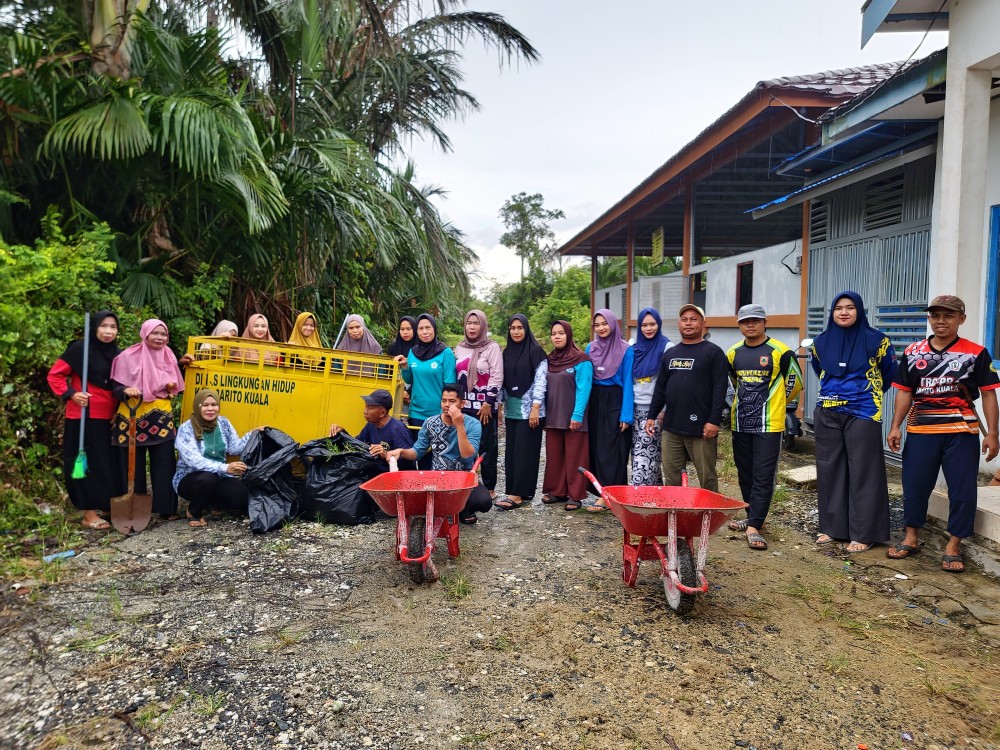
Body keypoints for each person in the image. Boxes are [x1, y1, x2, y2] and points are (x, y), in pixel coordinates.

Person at [887, 295, 1000, 572]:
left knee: (962, 490)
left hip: (961, 432)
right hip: (921, 430)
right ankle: (911, 537)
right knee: (915, 485)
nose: (940, 321)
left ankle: (953, 546)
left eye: (948, 315)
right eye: (935, 315)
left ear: (961, 319)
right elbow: (905, 392)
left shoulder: (976, 353)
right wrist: (895, 426)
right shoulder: (913, 352)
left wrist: (992, 434)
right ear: (929, 318)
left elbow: (988, 394)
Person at [809, 292, 896, 552]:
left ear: (859, 310)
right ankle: (833, 528)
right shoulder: (820, 342)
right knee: (830, 469)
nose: (844, 312)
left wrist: (865, 394)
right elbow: (819, 369)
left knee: (864, 471)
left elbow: (889, 373)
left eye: (850, 307)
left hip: (864, 411)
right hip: (827, 410)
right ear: (832, 313)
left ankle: (864, 533)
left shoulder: (878, 341)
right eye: (838, 308)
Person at [724, 305, 803, 551]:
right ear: (739, 325)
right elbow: (735, 382)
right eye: (745, 321)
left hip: (769, 424)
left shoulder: (781, 351)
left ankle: (754, 526)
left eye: (755, 320)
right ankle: (753, 516)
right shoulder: (733, 353)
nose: (750, 325)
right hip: (740, 422)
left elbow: (795, 382)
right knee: (745, 472)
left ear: (764, 322)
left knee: (763, 474)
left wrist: (777, 402)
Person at [47, 311, 125, 529]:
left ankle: (107, 505)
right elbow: (54, 375)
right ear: (95, 328)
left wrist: (119, 410)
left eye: (113, 327)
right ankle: (89, 514)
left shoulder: (118, 355)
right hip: (83, 417)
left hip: (110, 419)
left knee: (108, 465)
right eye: (103, 326)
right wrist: (72, 394)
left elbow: (121, 385)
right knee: (85, 465)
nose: (108, 331)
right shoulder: (79, 350)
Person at [644, 304, 728, 492]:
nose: (688, 323)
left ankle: (709, 509)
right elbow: (661, 388)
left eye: (693, 319)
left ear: (703, 324)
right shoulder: (671, 354)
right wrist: (651, 415)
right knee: (671, 477)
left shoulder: (714, 353)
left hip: (702, 429)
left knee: (706, 478)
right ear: (679, 324)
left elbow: (720, 389)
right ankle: (676, 509)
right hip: (671, 428)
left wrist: (714, 421)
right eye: (684, 319)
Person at [110, 319, 185, 519]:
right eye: (155, 333)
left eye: (163, 334)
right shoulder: (127, 357)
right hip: (132, 414)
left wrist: (174, 381)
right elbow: (115, 387)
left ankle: (167, 509)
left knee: (165, 462)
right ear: (145, 333)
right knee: (132, 465)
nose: (160, 337)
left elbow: (176, 384)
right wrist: (126, 390)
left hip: (160, 416)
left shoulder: (169, 355)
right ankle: (135, 510)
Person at [386, 384, 492, 524]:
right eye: (443, 400)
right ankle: (444, 507)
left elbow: (467, 455)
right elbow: (417, 452)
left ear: (462, 404)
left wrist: (459, 425)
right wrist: (401, 451)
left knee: (484, 502)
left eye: (452, 401)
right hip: (437, 477)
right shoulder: (430, 423)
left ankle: (464, 508)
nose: (447, 405)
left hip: (464, 478)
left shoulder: (473, 424)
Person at [174, 388, 254, 527]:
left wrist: (253, 434)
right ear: (197, 406)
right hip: (191, 479)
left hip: (219, 476)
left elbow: (234, 447)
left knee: (241, 497)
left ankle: (212, 503)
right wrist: (225, 467)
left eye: (214, 404)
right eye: (205, 405)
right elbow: (194, 461)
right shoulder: (186, 429)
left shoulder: (223, 423)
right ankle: (194, 511)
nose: (210, 409)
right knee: (208, 478)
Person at [584, 309, 634, 510]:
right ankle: (599, 491)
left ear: (613, 324)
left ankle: (609, 494)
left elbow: (629, 382)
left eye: (605, 323)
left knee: (612, 449)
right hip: (595, 399)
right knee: (596, 447)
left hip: (615, 399)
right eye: (597, 325)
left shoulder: (625, 350)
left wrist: (626, 415)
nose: (601, 328)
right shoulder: (590, 348)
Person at [496, 314, 547, 510]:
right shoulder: (507, 352)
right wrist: (499, 406)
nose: (516, 332)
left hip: (530, 411)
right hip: (512, 410)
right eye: (512, 328)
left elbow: (541, 381)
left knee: (526, 452)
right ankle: (518, 491)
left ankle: (517, 494)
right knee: (512, 452)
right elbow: (502, 381)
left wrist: (536, 408)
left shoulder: (536, 351)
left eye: (520, 328)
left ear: (526, 329)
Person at [542, 320, 594, 511]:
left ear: (569, 335)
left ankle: (575, 495)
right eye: (553, 334)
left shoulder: (581, 359)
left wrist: (577, 414)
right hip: (553, 414)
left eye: (561, 333)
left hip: (574, 416)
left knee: (575, 456)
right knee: (554, 455)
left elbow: (584, 388)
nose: (557, 337)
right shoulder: (550, 359)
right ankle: (557, 491)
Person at [396, 314, 457, 469]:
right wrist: (405, 367)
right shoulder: (413, 352)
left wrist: (445, 413)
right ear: (417, 331)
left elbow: (450, 385)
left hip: (437, 413)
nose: (425, 332)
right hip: (416, 413)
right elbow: (409, 379)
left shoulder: (445, 353)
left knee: (439, 457)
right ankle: (421, 485)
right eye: (421, 328)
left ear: (434, 329)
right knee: (420, 456)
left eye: (428, 327)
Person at [454, 309, 503, 499]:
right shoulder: (459, 347)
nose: (472, 327)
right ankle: (466, 484)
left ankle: (489, 487)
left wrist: (489, 402)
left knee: (487, 447)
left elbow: (497, 376)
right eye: (469, 323)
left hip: (485, 408)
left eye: (476, 323)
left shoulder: (492, 347)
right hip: (464, 406)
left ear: (483, 326)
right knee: (465, 445)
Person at [630, 307, 674, 487]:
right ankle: (655, 493)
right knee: (642, 456)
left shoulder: (667, 347)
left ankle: (640, 495)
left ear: (659, 324)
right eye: (644, 325)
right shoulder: (633, 347)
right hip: (634, 410)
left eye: (652, 324)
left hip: (654, 412)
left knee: (645, 457)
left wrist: (663, 410)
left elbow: (669, 383)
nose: (648, 328)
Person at [330, 389, 415, 470]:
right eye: (365, 407)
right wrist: (342, 433)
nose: (365, 411)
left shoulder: (398, 429)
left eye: (369, 408)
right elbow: (358, 444)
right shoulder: (371, 424)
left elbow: (408, 462)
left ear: (382, 412)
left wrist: (386, 454)